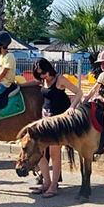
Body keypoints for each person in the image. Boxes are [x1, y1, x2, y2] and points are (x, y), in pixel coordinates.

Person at [25, 58, 82, 198]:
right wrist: (20, 84)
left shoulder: (59, 79)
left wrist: (72, 107)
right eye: (39, 74)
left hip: (57, 122)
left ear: (49, 68)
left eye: (44, 72)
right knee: (41, 153)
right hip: (45, 120)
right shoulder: (43, 81)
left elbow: (78, 92)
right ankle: (46, 182)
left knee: (55, 154)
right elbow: (34, 83)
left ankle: (54, 185)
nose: (42, 76)